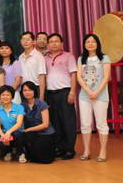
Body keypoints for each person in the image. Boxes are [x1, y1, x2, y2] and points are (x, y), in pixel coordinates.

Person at [77, 33, 111, 162]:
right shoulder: (81, 59)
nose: (90, 44)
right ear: (84, 45)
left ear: (97, 44)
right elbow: (79, 77)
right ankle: (86, 150)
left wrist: (96, 92)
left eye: (93, 41)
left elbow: (106, 77)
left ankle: (103, 151)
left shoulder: (104, 58)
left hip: (100, 95)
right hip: (84, 96)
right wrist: (88, 91)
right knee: (85, 123)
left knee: (101, 123)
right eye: (87, 42)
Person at [44, 33, 77, 160]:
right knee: (55, 122)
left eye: (56, 41)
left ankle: (69, 149)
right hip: (50, 94)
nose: (54, 44)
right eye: (51, 41)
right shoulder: (45, 58)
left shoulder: (69, 56)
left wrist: (72, 92)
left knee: (68, 122)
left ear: (61, 43)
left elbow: (73, 75)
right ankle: (60, 147)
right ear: (48, 44)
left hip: (65, 92)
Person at [20, 81, 55, 164]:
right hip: (33, 134)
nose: (27, 92)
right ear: (22, 92)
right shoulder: (22, 105)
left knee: (45, 160)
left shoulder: (42, 103)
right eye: (25, 90)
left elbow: (45, 124)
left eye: (30, 90)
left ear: (34, 91)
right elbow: (20, 122)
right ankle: (25, 154)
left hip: (45, 133)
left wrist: (29, 129)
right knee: (22, 136)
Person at [0, 85, 25, 163]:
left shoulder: (19, 107)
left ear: (12, 97)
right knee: (0, 142)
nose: (5, 97)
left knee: (17, 134)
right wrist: (3, 136)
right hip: (5, 134)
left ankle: (21, 153)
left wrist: (8, 132)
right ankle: (8, 152)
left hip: (18, 133)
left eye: (8, 95)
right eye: (3, 95)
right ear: (0, 96)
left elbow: (19, 123)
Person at [18, 31, 47, 100]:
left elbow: (42, 77)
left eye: (28, 39)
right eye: (23, 39)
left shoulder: (39, 56)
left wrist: (41, 96)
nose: (25, 42)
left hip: (35, 89)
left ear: (33, 41)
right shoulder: (20, 57)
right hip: (24, 89)